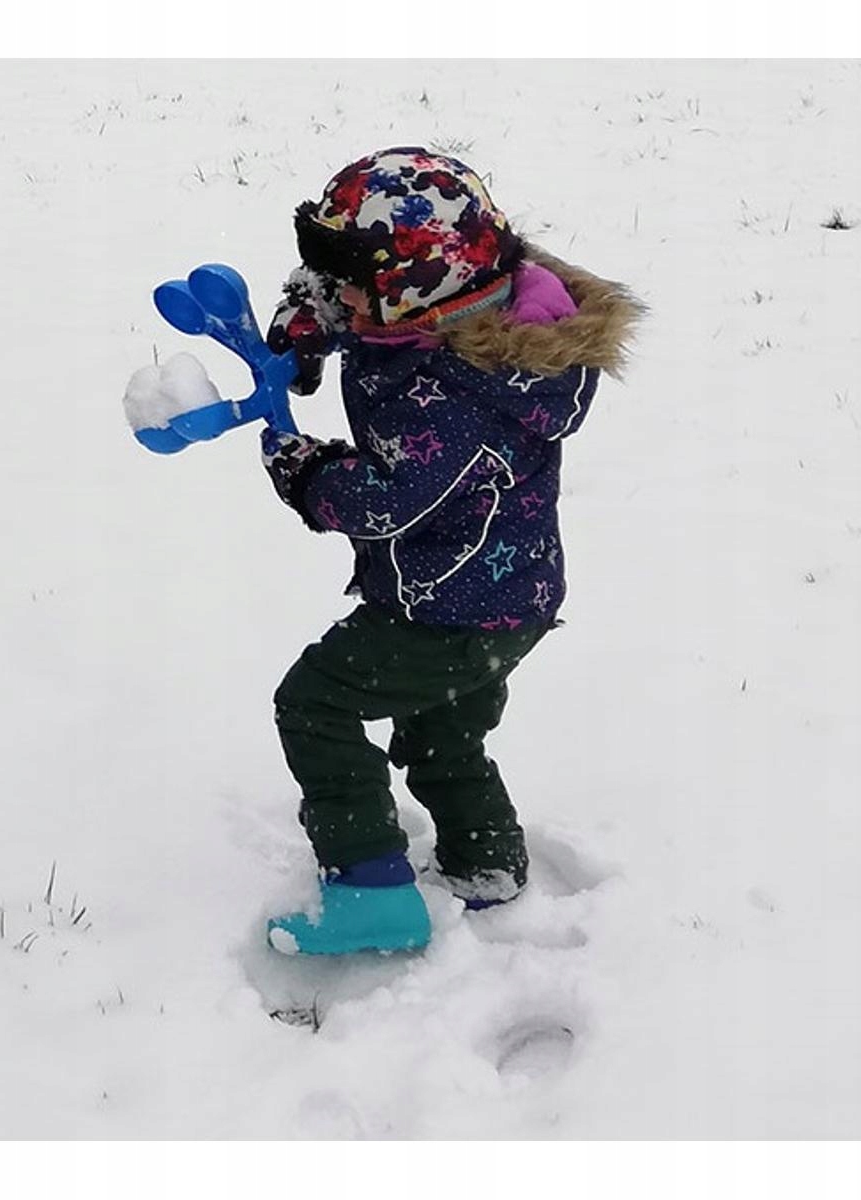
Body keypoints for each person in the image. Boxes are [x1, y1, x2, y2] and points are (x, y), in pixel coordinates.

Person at [259, 146, 642, 955]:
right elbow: (350, 299)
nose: (338, 296)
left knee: (316, 704)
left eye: (350, 282)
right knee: (443, 736)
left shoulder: (464, 392)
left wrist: (305, 470)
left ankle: (370, 894)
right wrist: (306, 326)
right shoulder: (449, 305)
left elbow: (383, 499)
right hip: (505, 599)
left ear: (416, 287)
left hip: (448, 610)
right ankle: (488, 867)